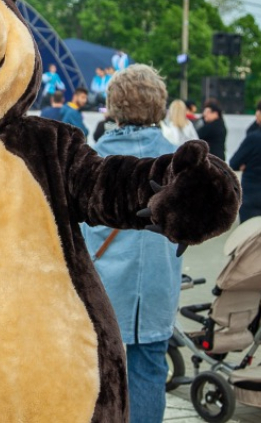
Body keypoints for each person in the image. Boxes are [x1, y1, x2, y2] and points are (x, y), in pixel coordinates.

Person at [80, 64, 179, 423]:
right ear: (160, 105)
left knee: (96, 372)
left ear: (112, 106)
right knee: (150, 369)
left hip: (102, 283)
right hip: (158, 281)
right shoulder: (178, 160)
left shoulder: (92, 158)